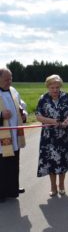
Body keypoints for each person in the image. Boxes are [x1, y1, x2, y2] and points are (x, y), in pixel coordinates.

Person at [36, 74, 68, 196]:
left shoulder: (67, 97)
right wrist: (53, 121)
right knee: (51, 161)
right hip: (49, 136)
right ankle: (53, 186)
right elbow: (38, 116)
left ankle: (62, 185)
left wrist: (67, 120)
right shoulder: (43, 99)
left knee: (63, 161)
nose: (55, 90)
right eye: (52, 87)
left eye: (57, 87)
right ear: (48, 87)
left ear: (60, 87)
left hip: (65, 135)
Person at [0, 68, 27, 203]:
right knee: (2, 165)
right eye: (6, 79)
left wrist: (23, 113)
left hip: (14, 134)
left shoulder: (13, 90)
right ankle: (1, 192)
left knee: (14, 162)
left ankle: (12, 189)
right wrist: (1, 115)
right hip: (1, 138)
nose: (9, 81)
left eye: (10, 78)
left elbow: (22, 105)